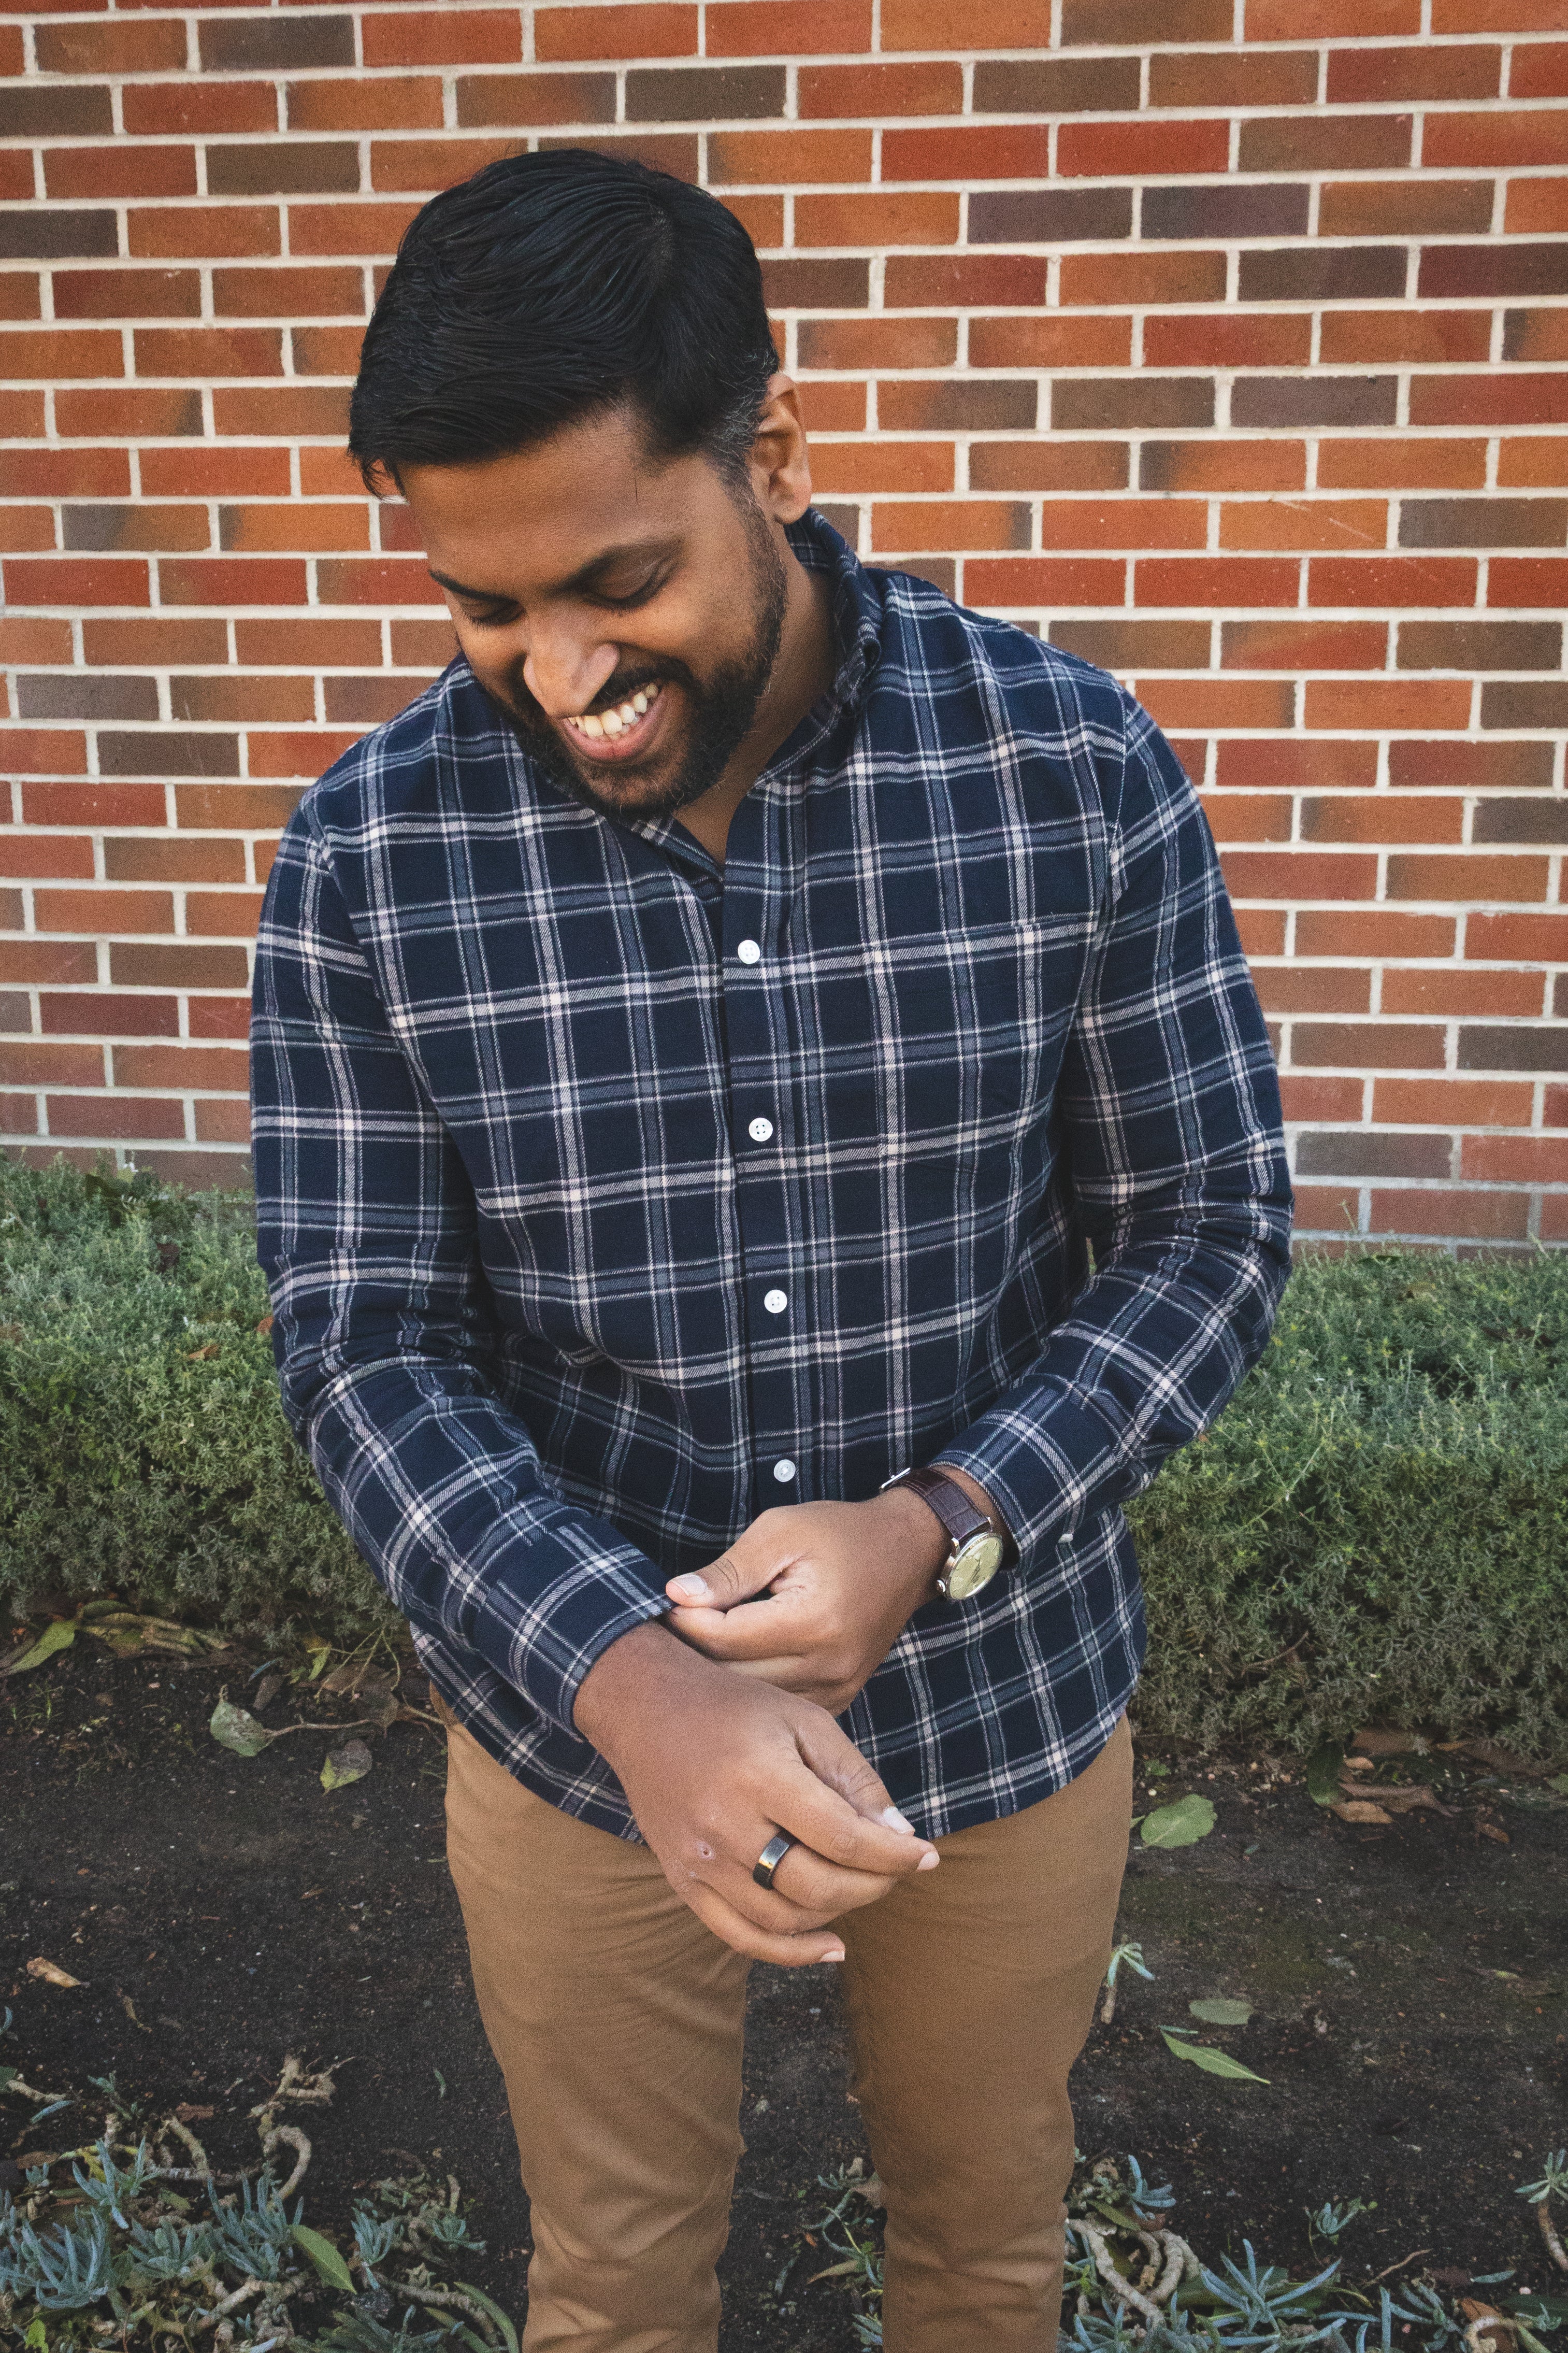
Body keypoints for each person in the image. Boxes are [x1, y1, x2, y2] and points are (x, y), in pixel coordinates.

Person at [251, 148, 1292, 2353]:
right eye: (480, 605)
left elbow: (1207, 1227)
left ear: (779, 458)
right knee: (616, 2290)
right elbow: (362, 1345)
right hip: (574, 1741)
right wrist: (632, 1688)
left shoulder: (1068, 767)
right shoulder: (366, 859)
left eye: (614, 578)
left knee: (984, 2263)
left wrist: (950, 1520)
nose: (557, 673)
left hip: (1001, 1715)